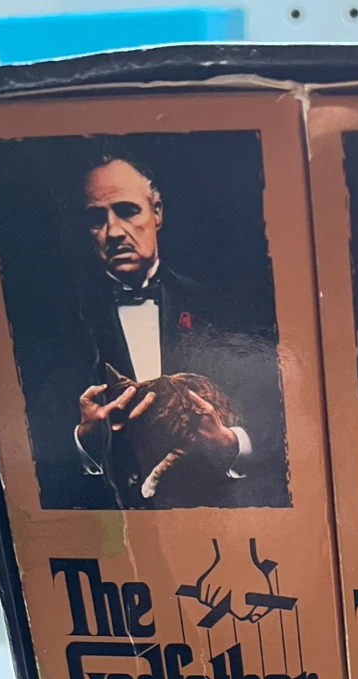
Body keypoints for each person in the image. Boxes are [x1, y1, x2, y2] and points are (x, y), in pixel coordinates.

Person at [72, 151, 287, 508]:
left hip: (218, 520)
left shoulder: (220, 309)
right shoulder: (69, 322)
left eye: (127, 211)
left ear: (156, 212)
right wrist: (85, 440)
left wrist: (229, 443)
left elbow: (281, 420)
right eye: (97, 218)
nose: (114, 232)